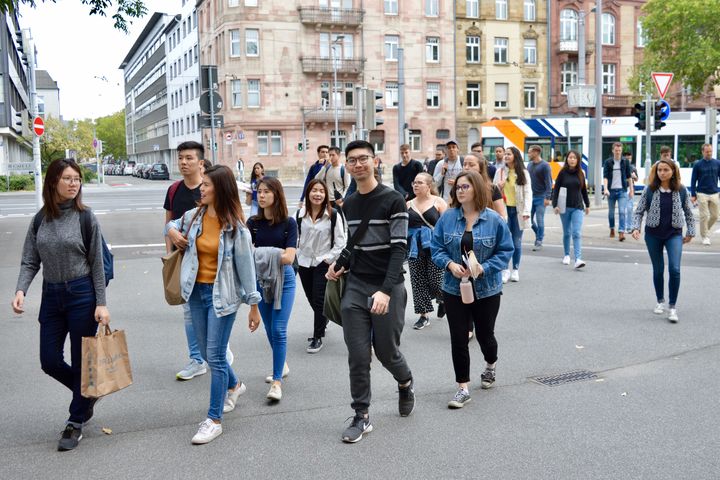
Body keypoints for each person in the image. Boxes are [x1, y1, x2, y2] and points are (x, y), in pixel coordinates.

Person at [12, 158, 111, 451]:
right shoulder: (41, 218)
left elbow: (97, 265)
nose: (73, 183)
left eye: (77, 179)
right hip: (51, 295)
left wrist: (102, 303)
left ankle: (75, 422)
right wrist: (21, 289)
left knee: (82, 362)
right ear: (53, 181)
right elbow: (30, 259)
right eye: (67, 178)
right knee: (49, 360)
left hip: (82, 294)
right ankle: (87, 395)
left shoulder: (86, 217)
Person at [326, 140, 415, 444]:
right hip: (356, 286)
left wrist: (386, 291)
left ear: (375, 161)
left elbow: (399, 250)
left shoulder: (393, 200)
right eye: (352, 160)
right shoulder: (349, 203)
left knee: (387, 352)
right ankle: (361, 415)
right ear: (347, 166)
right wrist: (339, 264)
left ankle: (405, 382)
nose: (358, 164)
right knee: (358, 355)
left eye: (364, 158)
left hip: (387, 286)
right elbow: (354, 244)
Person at [165, 165, 261, 444]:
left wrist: (253, 306)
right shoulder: (194, 217)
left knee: (215, 356)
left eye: (206, 185)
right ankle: (235, 385)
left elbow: (247, 271)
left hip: (223, 296)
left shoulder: (236, 229)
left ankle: (214, 419)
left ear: (220, 189)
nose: (201, 189)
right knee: (208, 355)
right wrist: (173, 234)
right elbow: (171, 223)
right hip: (195, 292)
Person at [430, 171, 514, 409]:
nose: (460, 190)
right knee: (458, 337)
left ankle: (490, 364)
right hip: (453, 287)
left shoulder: (494, 220)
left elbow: (505, 251)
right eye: (458, 187)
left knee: (486, 335)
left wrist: (483, 268)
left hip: (486, 289)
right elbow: (436, 247)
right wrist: (449, 264)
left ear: (477, 188)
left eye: (465, 186)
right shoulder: (447, 218)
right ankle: (462, 388)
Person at [164, 141, 230, 381]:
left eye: (189, 158)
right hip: (185, 263)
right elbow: (169, 222)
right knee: (189, 314)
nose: (183, 162)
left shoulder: (212, 189)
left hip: (213, 267)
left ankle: (219, 357)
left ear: (201, 163)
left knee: (215, 314)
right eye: (180, 158)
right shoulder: (173, 190)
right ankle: (197, 359)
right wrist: (170, 252)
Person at [247, 177, 297, 402]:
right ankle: (282, 363)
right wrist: (271, 253)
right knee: (268, 328)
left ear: (277, 194)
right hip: (260, 280)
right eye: (259, 191)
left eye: (267, 191)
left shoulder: (289, 223)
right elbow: (246, 256)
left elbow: (289, 257)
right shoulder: (253, 223)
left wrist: (261, 253)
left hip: (284, 281)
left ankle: (277, 382)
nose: (262, 195)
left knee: (279, 329)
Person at [631, 158, 695, 323]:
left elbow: (689, 212)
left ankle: (672, 307)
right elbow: (638, 211)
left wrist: (691, 232)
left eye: (666, 170)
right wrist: (636, 227)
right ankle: (660, 301)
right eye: (659, 170)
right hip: (653, 235)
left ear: (673, 171)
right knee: (658, 270)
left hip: (674, 234)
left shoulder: (681, 190)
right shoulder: (649, 190)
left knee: (674, 269)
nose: (662, 173)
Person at [296, 179, 347, 353]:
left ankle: (318, 337)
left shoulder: (333, 214)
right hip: (304, 262)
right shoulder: (299, 214)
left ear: (326, 195)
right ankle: (323, 319)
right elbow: (296, 237)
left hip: (322, 262)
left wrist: (328, 259)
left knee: (319, 299)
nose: (317, 194)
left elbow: (341, 242)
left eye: (321, 191)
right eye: (314, 190)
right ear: (308, 193)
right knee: (311, 297)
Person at [406, 172, 448, 330]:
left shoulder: (439, 202)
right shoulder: (408, 204)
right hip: (415, 248)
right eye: (414, 182)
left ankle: (443, 300)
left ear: (429, 186)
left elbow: (447, 226)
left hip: (435, 247)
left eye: (420, 183)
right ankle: (423, 316)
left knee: (437, 281)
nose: (415, 185)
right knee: (418, 281)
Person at [497, 147, 531, 283]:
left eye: (508, 154)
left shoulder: (523, 173)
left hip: (518, 211)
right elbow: (493, 191)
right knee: (504, 242)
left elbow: (528, 193)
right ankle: (505, 270)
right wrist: (498, 186)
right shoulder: (500, 172)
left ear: (515, 156)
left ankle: (515, 269)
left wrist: (527, 211)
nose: (506, 156)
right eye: (505, 154)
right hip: (504, 211)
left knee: (516, 242)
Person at [552, 151, 590, 268]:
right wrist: (555, 205)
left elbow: (583, 190)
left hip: (578, 207)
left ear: (578, 160)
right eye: (570, 157)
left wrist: (587, 204)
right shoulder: (562, 172)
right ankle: (567, 255)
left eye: (574, 158)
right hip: (564, 207)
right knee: (567, 232)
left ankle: (578, 259)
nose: (572, 159)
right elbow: (556, 189)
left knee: (576, 233)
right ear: (567, 159)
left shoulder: (581, 173)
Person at [602, 142, 634, 241]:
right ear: (613, 151)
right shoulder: (608, 162)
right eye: (616, 151)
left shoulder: (625, 162)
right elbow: (606, 177)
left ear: (621, 151)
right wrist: (606, 189)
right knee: (611, 213)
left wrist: (631, 190)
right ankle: (612, 228)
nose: (618, 152)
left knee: (621, 211)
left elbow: (629, 177)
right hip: (611, 191)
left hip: (622, 191)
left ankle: (621, 232)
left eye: (619, 151)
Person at [689, 143, 720, 245]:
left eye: (710, 151)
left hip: (715, 192)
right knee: (704, 216)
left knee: (715, 216)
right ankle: (705, 237)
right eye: (707, 152)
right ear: (702, 152)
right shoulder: (698, 164)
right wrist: (693, 194)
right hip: (702, 193)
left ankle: (705, 230)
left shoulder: (717, 163)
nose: (709, 153)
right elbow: (693, 180)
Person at [462, 153, 506, 220]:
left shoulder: (492, 189)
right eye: (464, 164)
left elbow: (502, 217)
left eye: (471, 165)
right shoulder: (458, 188)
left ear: (481, 168)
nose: (466, 167)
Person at [526, 145, 552, 251]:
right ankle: (539, 233)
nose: (528, 154)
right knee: (528, 220)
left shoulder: (545, 166)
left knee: (540, 220)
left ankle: (539, 241)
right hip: (530, 197)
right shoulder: (529, 165)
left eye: (530, 152)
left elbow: (549, 182)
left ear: (536, 152)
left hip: (541, 197)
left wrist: (548, 197)